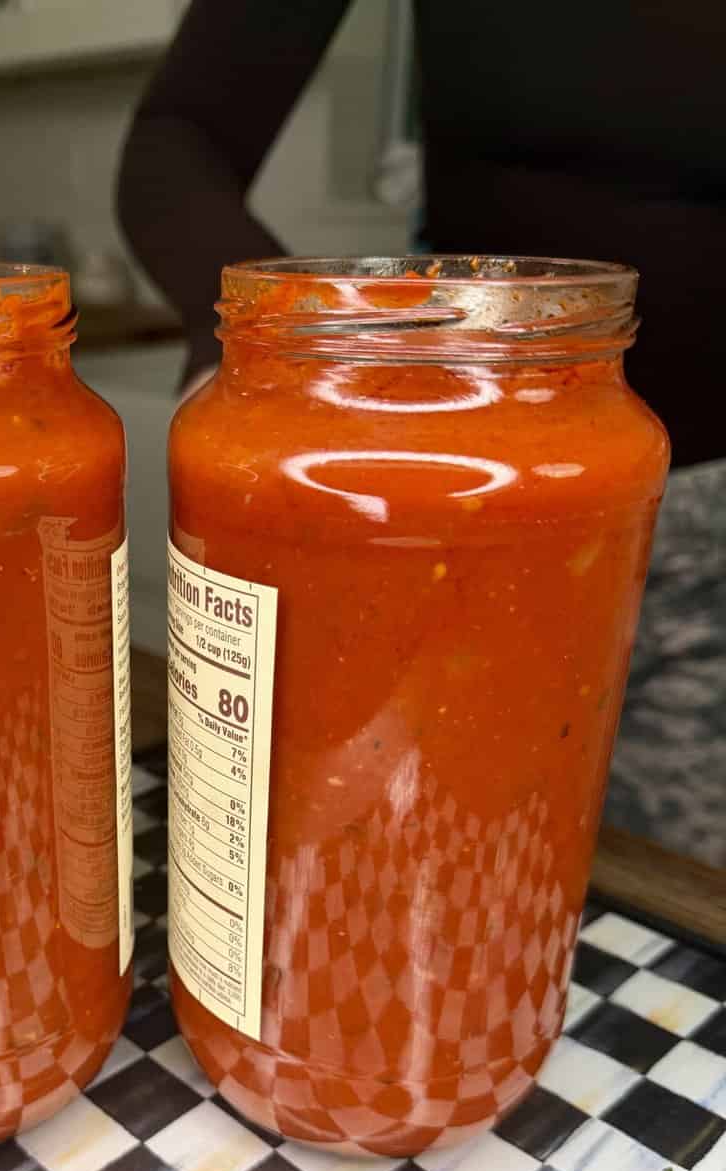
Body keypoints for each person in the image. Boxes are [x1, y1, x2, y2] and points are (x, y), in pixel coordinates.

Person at [116, 0, 726, 866]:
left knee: (659, 903)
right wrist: (267, 350)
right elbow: (179, 136)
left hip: (710, 543)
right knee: (376, 852)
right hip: (442, 500)